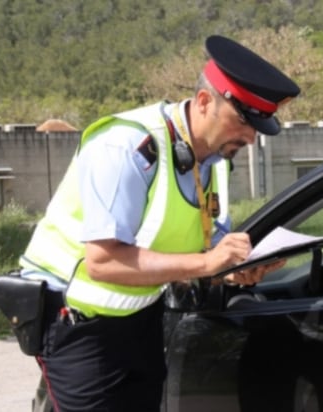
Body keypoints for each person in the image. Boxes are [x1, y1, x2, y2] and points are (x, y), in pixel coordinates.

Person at [19, 35, 299, 411]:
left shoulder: (213, 161)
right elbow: (102, 262)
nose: (250, 136)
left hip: (141, 318)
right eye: (242, 121)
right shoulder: (126, 146)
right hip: (78, 325)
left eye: (257, 127)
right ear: (203, 102)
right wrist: (207, 264)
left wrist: (233, 269)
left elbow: (198, 248)